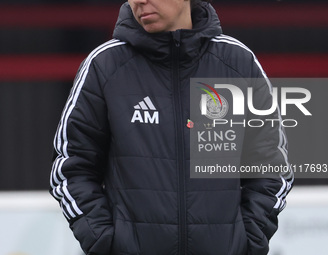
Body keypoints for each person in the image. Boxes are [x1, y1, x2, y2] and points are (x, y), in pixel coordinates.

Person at [50, 0, 294, 254]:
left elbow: (271, 167)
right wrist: (104, 243)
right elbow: (71, 168)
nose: (140, 1)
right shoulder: (104, 66)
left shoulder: (238, 63)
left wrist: (248, 242)